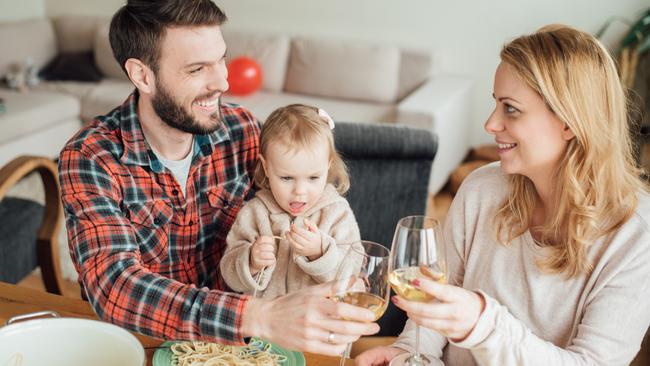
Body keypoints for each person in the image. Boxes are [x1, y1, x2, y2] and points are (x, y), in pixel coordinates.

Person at [58, 0, 378, 356]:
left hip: (235, 350)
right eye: (197, 69)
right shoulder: (92, 157)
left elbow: (300, 198)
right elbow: (114, 285)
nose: (223, 82)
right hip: (143, 345)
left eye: (221, 59)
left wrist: (330, 263)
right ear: (142, 75)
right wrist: (259, 316)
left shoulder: (242, 131)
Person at [357, 24, 650, 365]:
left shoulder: (635, 234)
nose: (490, 124)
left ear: (569, 122)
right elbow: (437, 305)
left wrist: (485, 326)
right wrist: (409, 352)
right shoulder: (482, 189)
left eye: (510, 108)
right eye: (496, 104)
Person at [220, 104, 361, 299]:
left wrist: (321, 253)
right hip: (266, 325)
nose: (300, 192)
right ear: (266, 167)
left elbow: (352, 274)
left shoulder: (336, 213)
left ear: (327, 168)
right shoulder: (255, 212)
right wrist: (250, 261)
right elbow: (229, 275)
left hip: (321, 322)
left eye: (313, 178)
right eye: (287, 178)